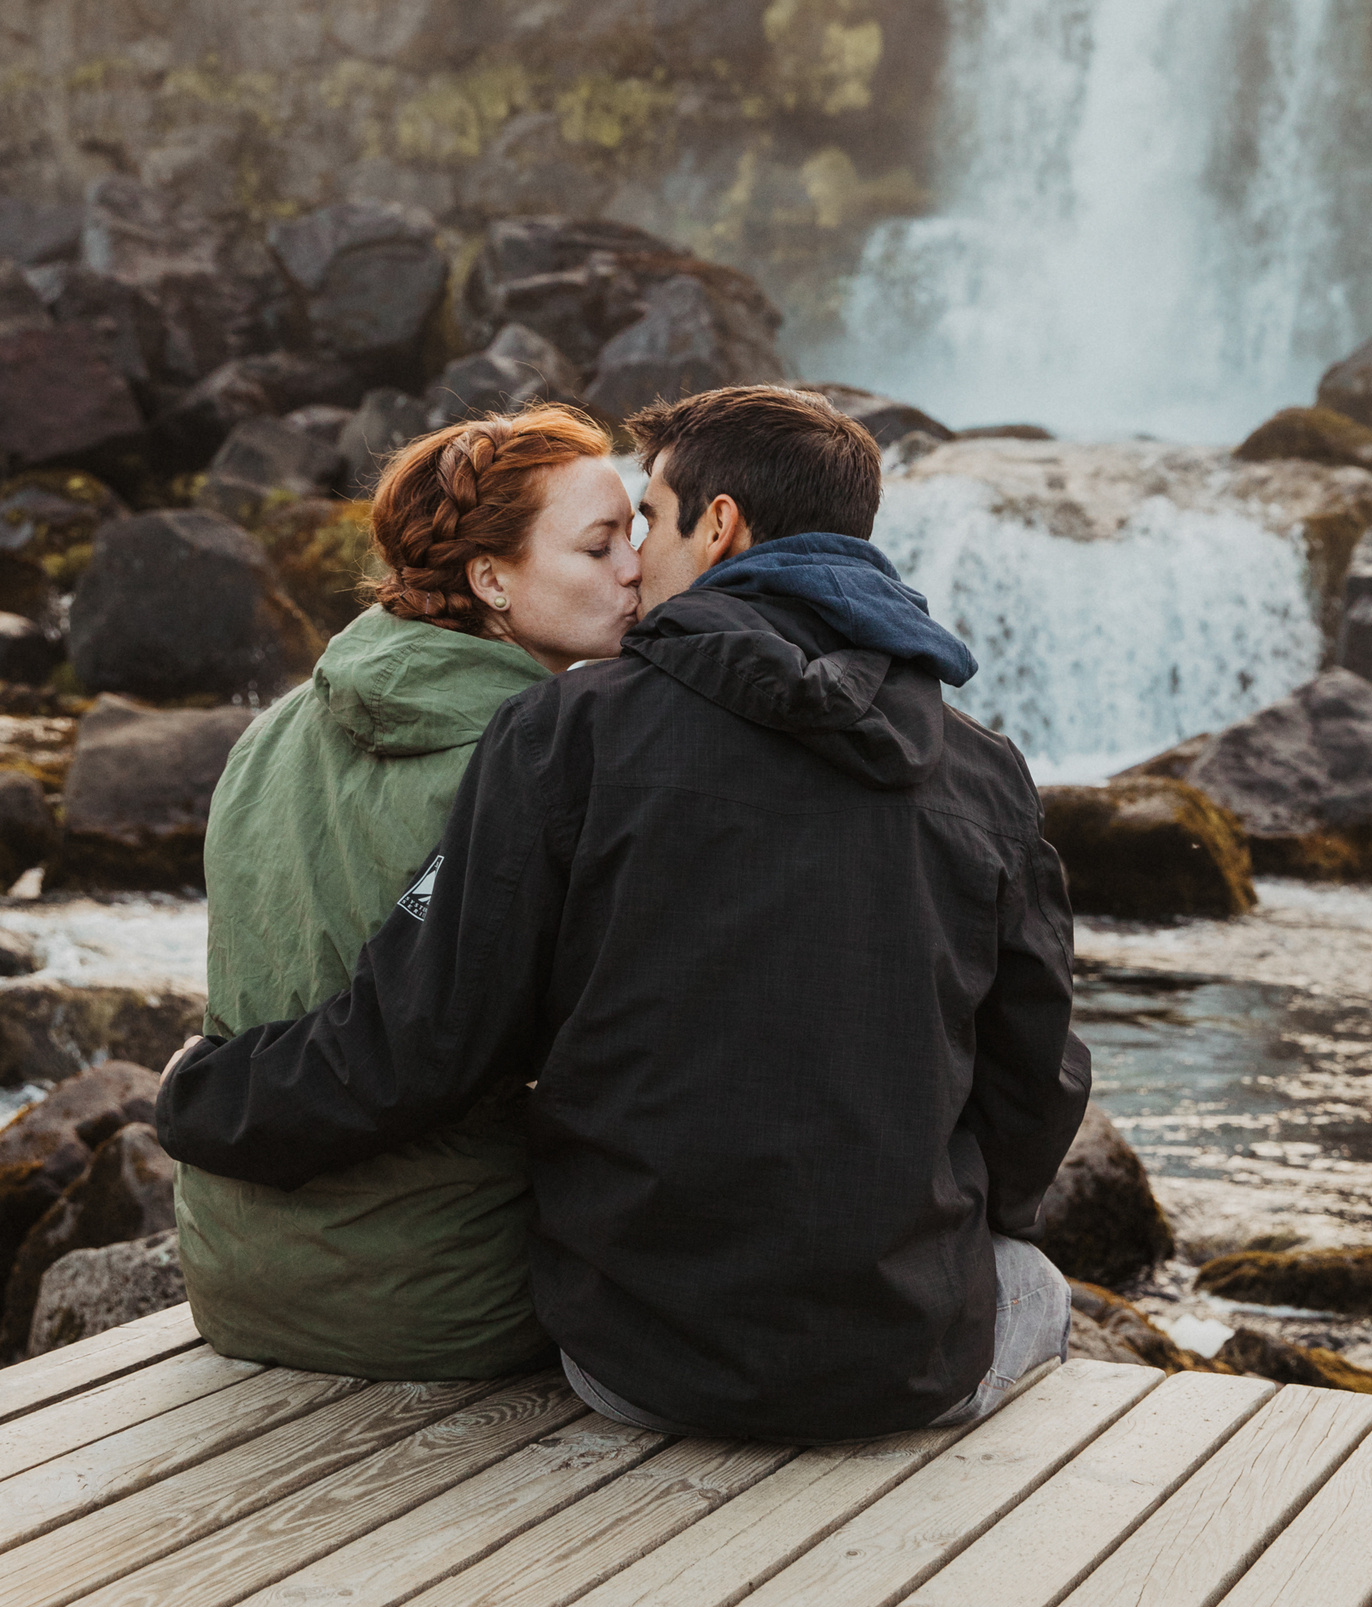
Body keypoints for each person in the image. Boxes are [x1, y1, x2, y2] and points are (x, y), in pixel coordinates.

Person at [159, 385, 1089, 1438]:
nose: (637, 559)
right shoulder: (986, 772)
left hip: (638, 1362)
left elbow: (432, 1035)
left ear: (722, 526)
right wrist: (944, 1227)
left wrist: (203, 1098)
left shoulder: (567, 732)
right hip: (906, 1361)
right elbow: (1038, 1082)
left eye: (647, 520)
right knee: (1038, 1283)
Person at [172, 404, 640, 1380]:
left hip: (233, 1274)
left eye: (637, 536)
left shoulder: (272, 732)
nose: (636, 568)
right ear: (491, 577)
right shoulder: (539, 769)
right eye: (601, 546)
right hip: (449, 1301)